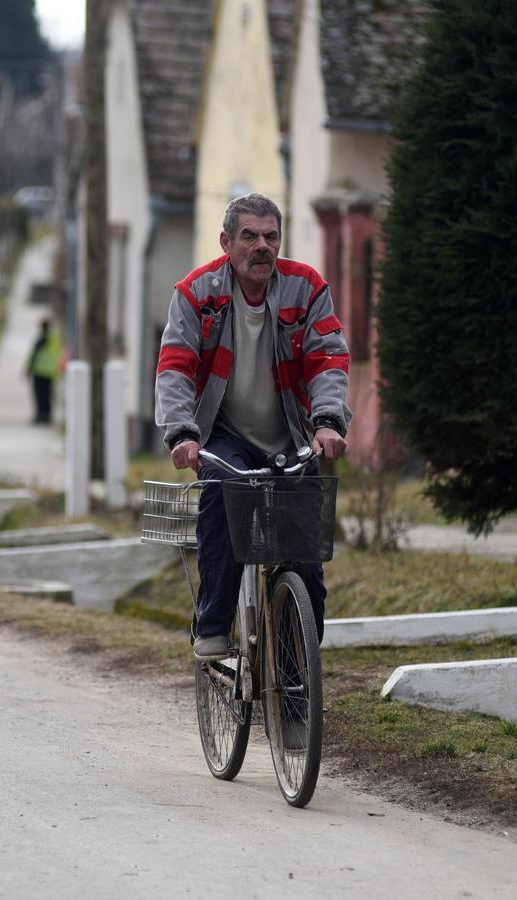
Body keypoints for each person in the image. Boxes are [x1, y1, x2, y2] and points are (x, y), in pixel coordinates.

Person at [154, 193, 352, 660]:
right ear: (226, 242)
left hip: (295, 437)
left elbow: (328, 358)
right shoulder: (195, 294)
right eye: (249, 236)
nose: (262, 246)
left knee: (307, 566)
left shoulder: (307, 288)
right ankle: (214, 625)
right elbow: (175, 366)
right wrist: (182, 433)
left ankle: (295, 681)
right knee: (221, 494)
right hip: (226, 438)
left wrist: (327, 422)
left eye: (270, 236)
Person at [26, 318, 63, 425]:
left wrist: (28, 369)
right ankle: (47, 416)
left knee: (40, 396)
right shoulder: (54, 339)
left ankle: (40, 416)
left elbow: (34, 355)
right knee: (48, 396)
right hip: (51, 372)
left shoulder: (41, 339)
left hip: (40, 372)